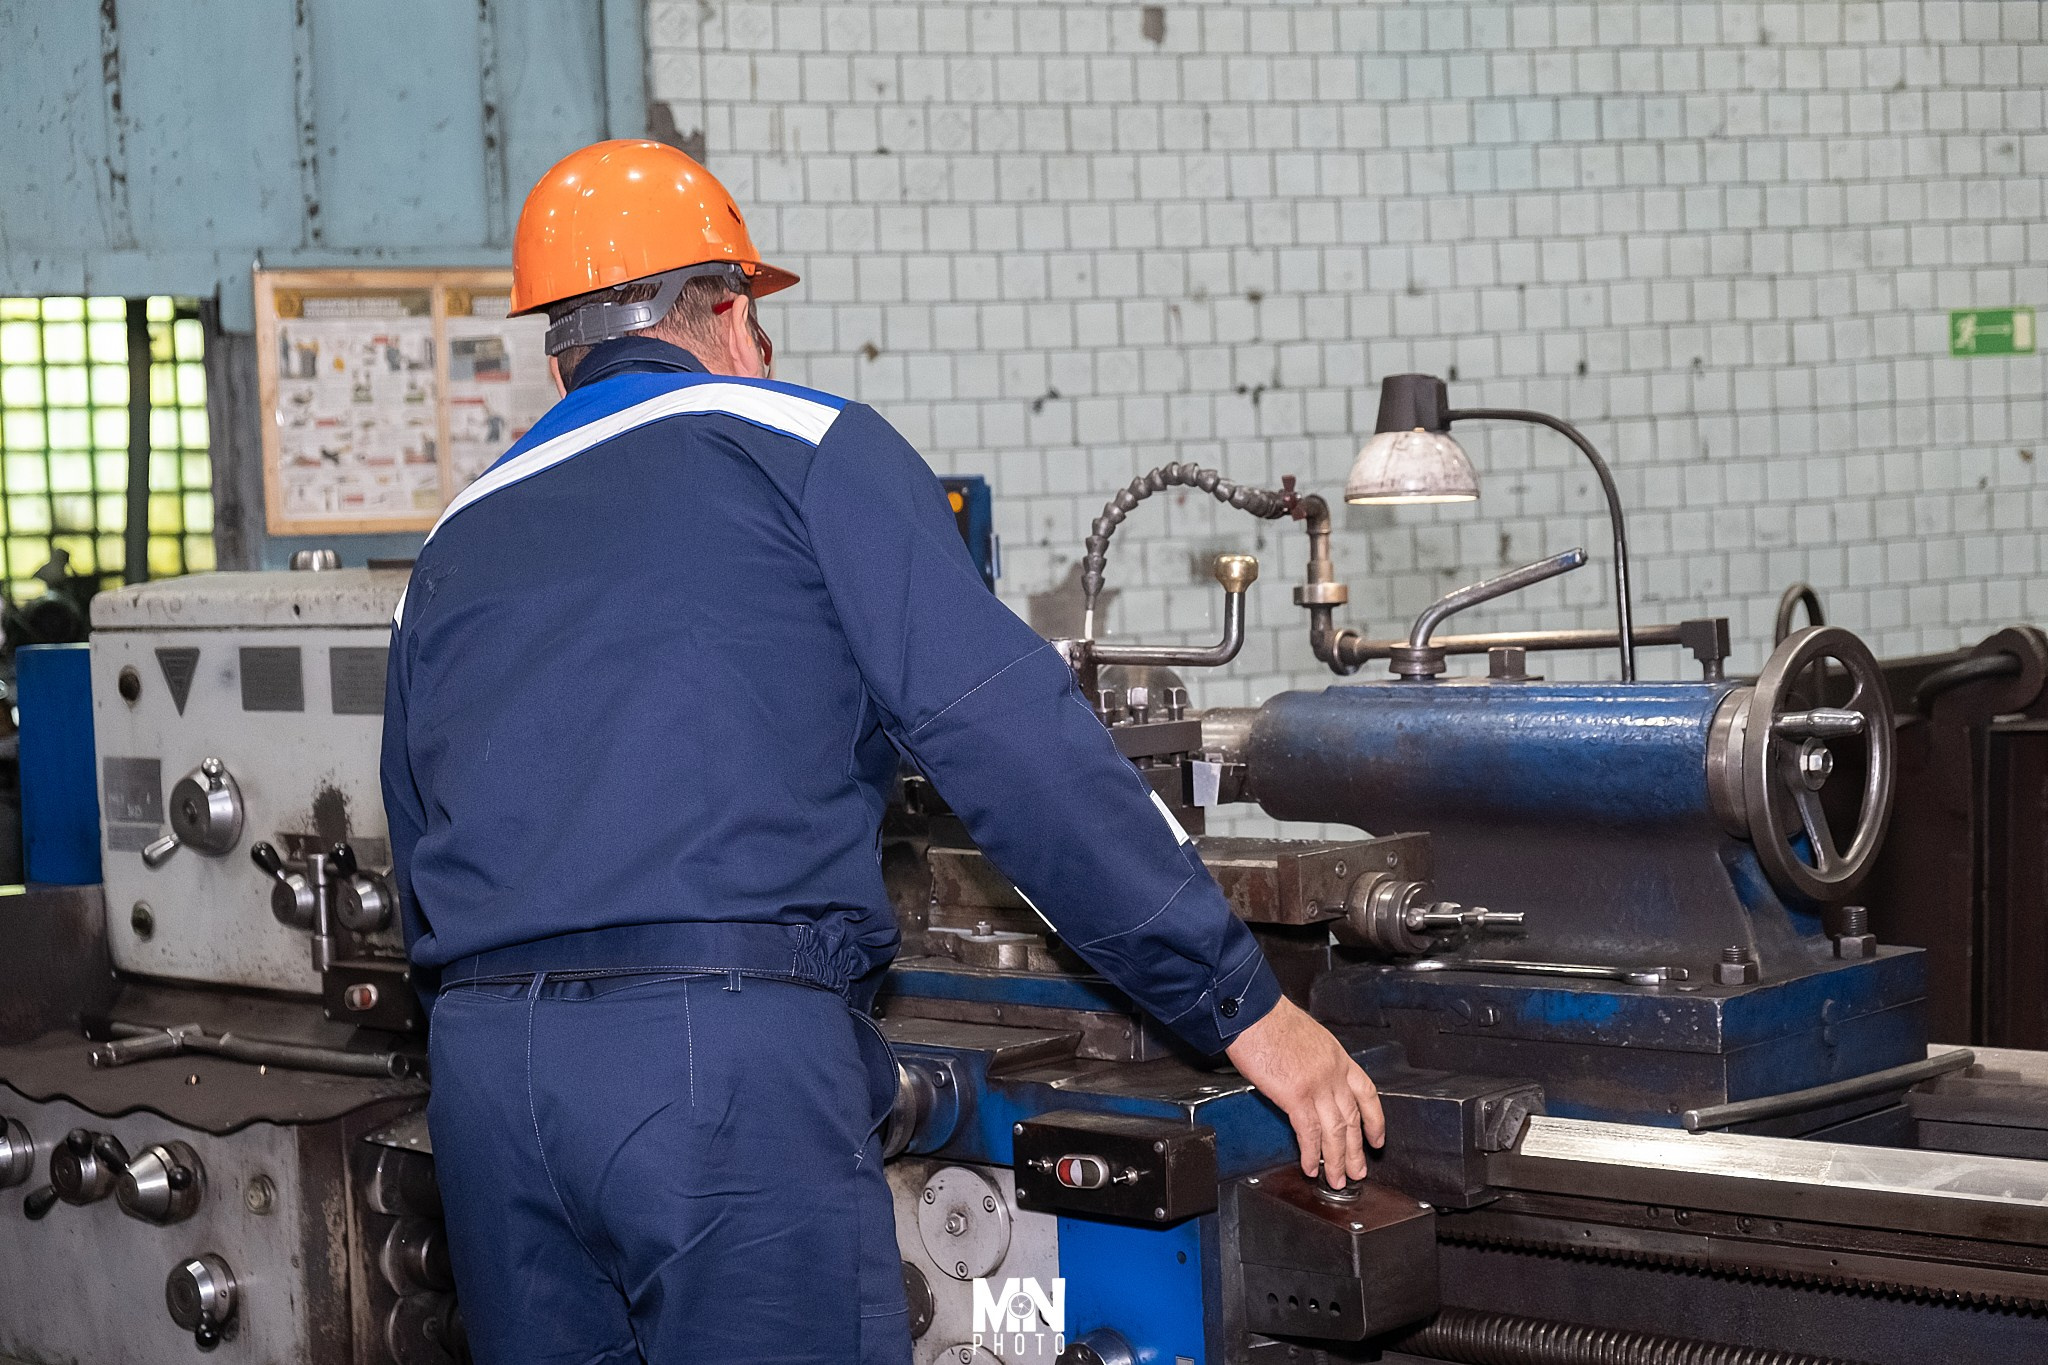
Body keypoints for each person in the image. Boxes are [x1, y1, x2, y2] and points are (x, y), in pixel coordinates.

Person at [380, 139, 1384, 1365]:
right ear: (728, 310)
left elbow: (417, 838)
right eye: (759, 326)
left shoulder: (451, 538)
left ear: (559, 354)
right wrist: (1243, 1007)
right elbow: (1010, 743)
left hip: (486, 1084)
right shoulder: (803, 442)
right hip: (715, 1068)